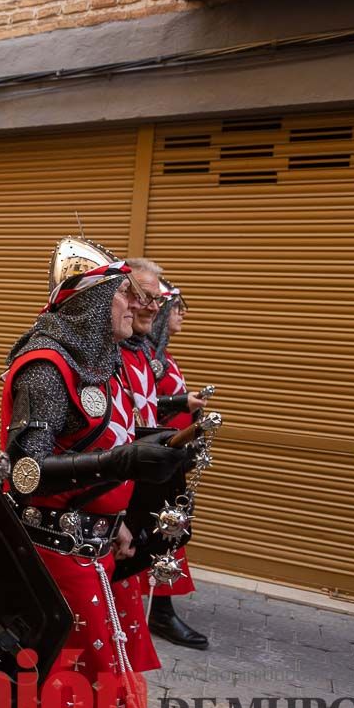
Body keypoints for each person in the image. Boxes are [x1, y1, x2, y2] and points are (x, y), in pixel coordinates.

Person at [0, 239, 192, 708]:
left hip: (92, 551)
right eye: (124, 294)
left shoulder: (100, 364)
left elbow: (101, 450)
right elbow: (26, 472)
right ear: (95, 301)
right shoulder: (47, 366)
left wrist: (119, 516)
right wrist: (123, 462)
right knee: (65, 703)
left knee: (101, 692)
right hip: (52, 560)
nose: (137, 305)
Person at [140, 277, 209, 650]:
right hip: (150, 461)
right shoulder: (143, 359)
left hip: (169, 461)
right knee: (159, 534)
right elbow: (142, 407)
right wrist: (181, 404)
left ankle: (157, 607)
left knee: (169, 531)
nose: (182, 315)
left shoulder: (163, 358)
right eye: (178, 307)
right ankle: (159, 611)